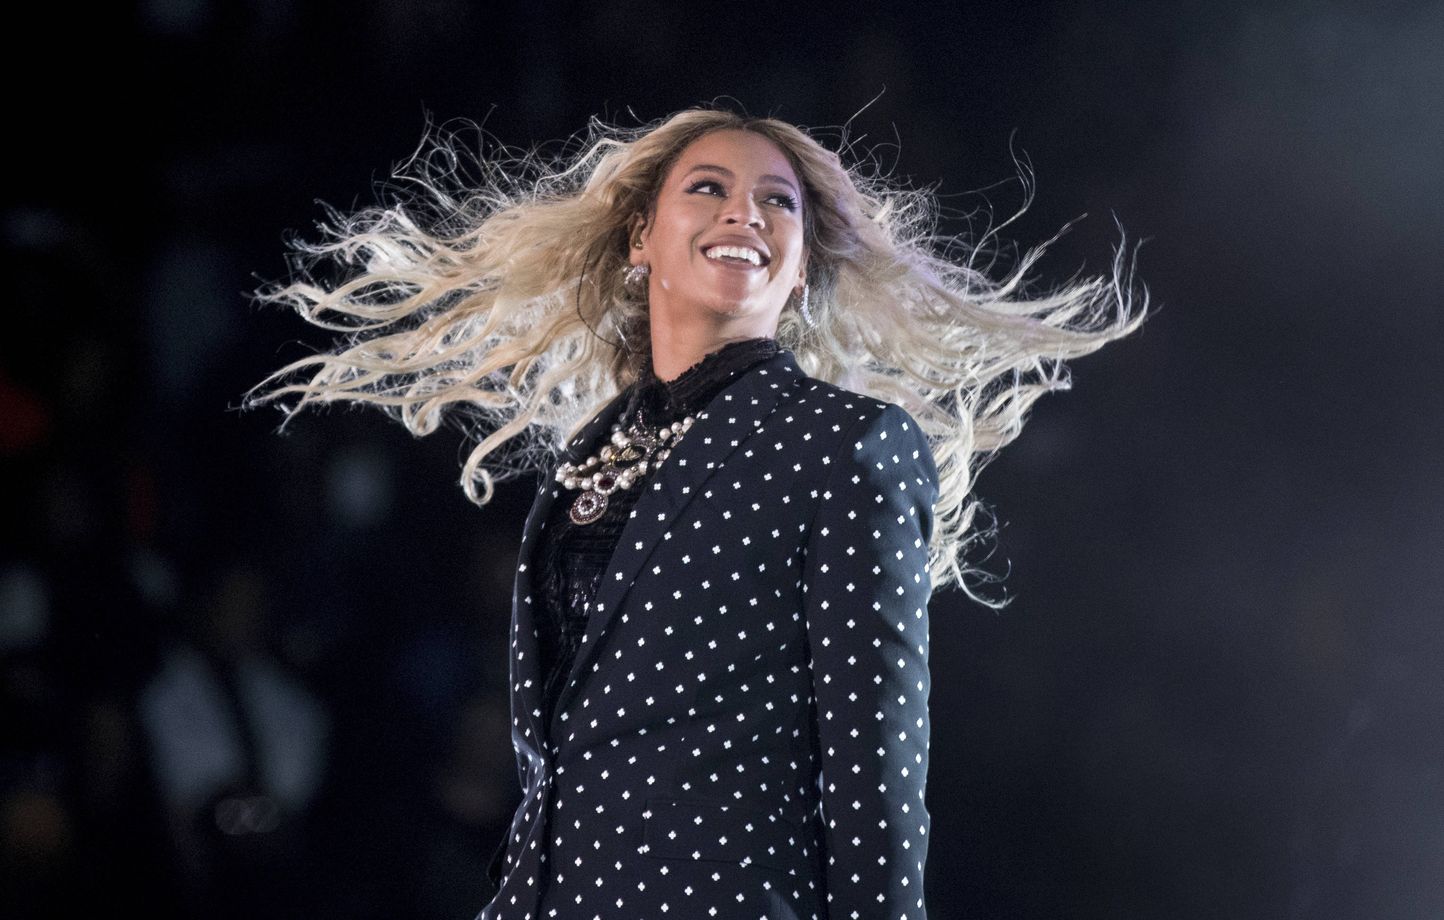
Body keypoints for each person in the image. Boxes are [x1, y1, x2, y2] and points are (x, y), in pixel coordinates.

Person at [245, 106, 1147, 920]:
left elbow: (877, 768)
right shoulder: (587, 455)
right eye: (708, 188)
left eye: (778, 203)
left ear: (800, 271)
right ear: (641, 237)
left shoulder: (846, 443)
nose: (743, 213)